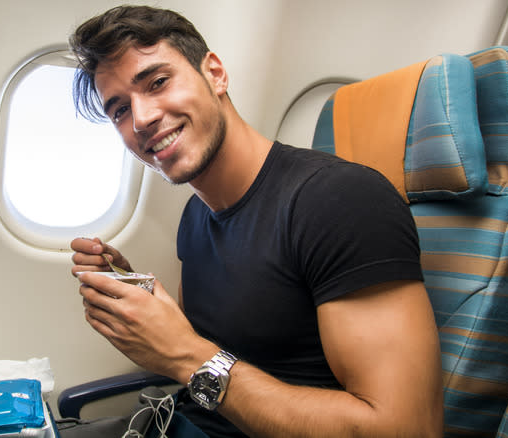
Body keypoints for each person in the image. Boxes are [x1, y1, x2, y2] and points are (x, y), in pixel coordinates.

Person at [69, 5, 443, 438]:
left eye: (157, 82)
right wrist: (141, 306)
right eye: (119, 110)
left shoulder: (340, 202)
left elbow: (407, 428)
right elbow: (225, 349)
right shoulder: (196, 216)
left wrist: (185, 357)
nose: (142, 119)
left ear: (215, 74)